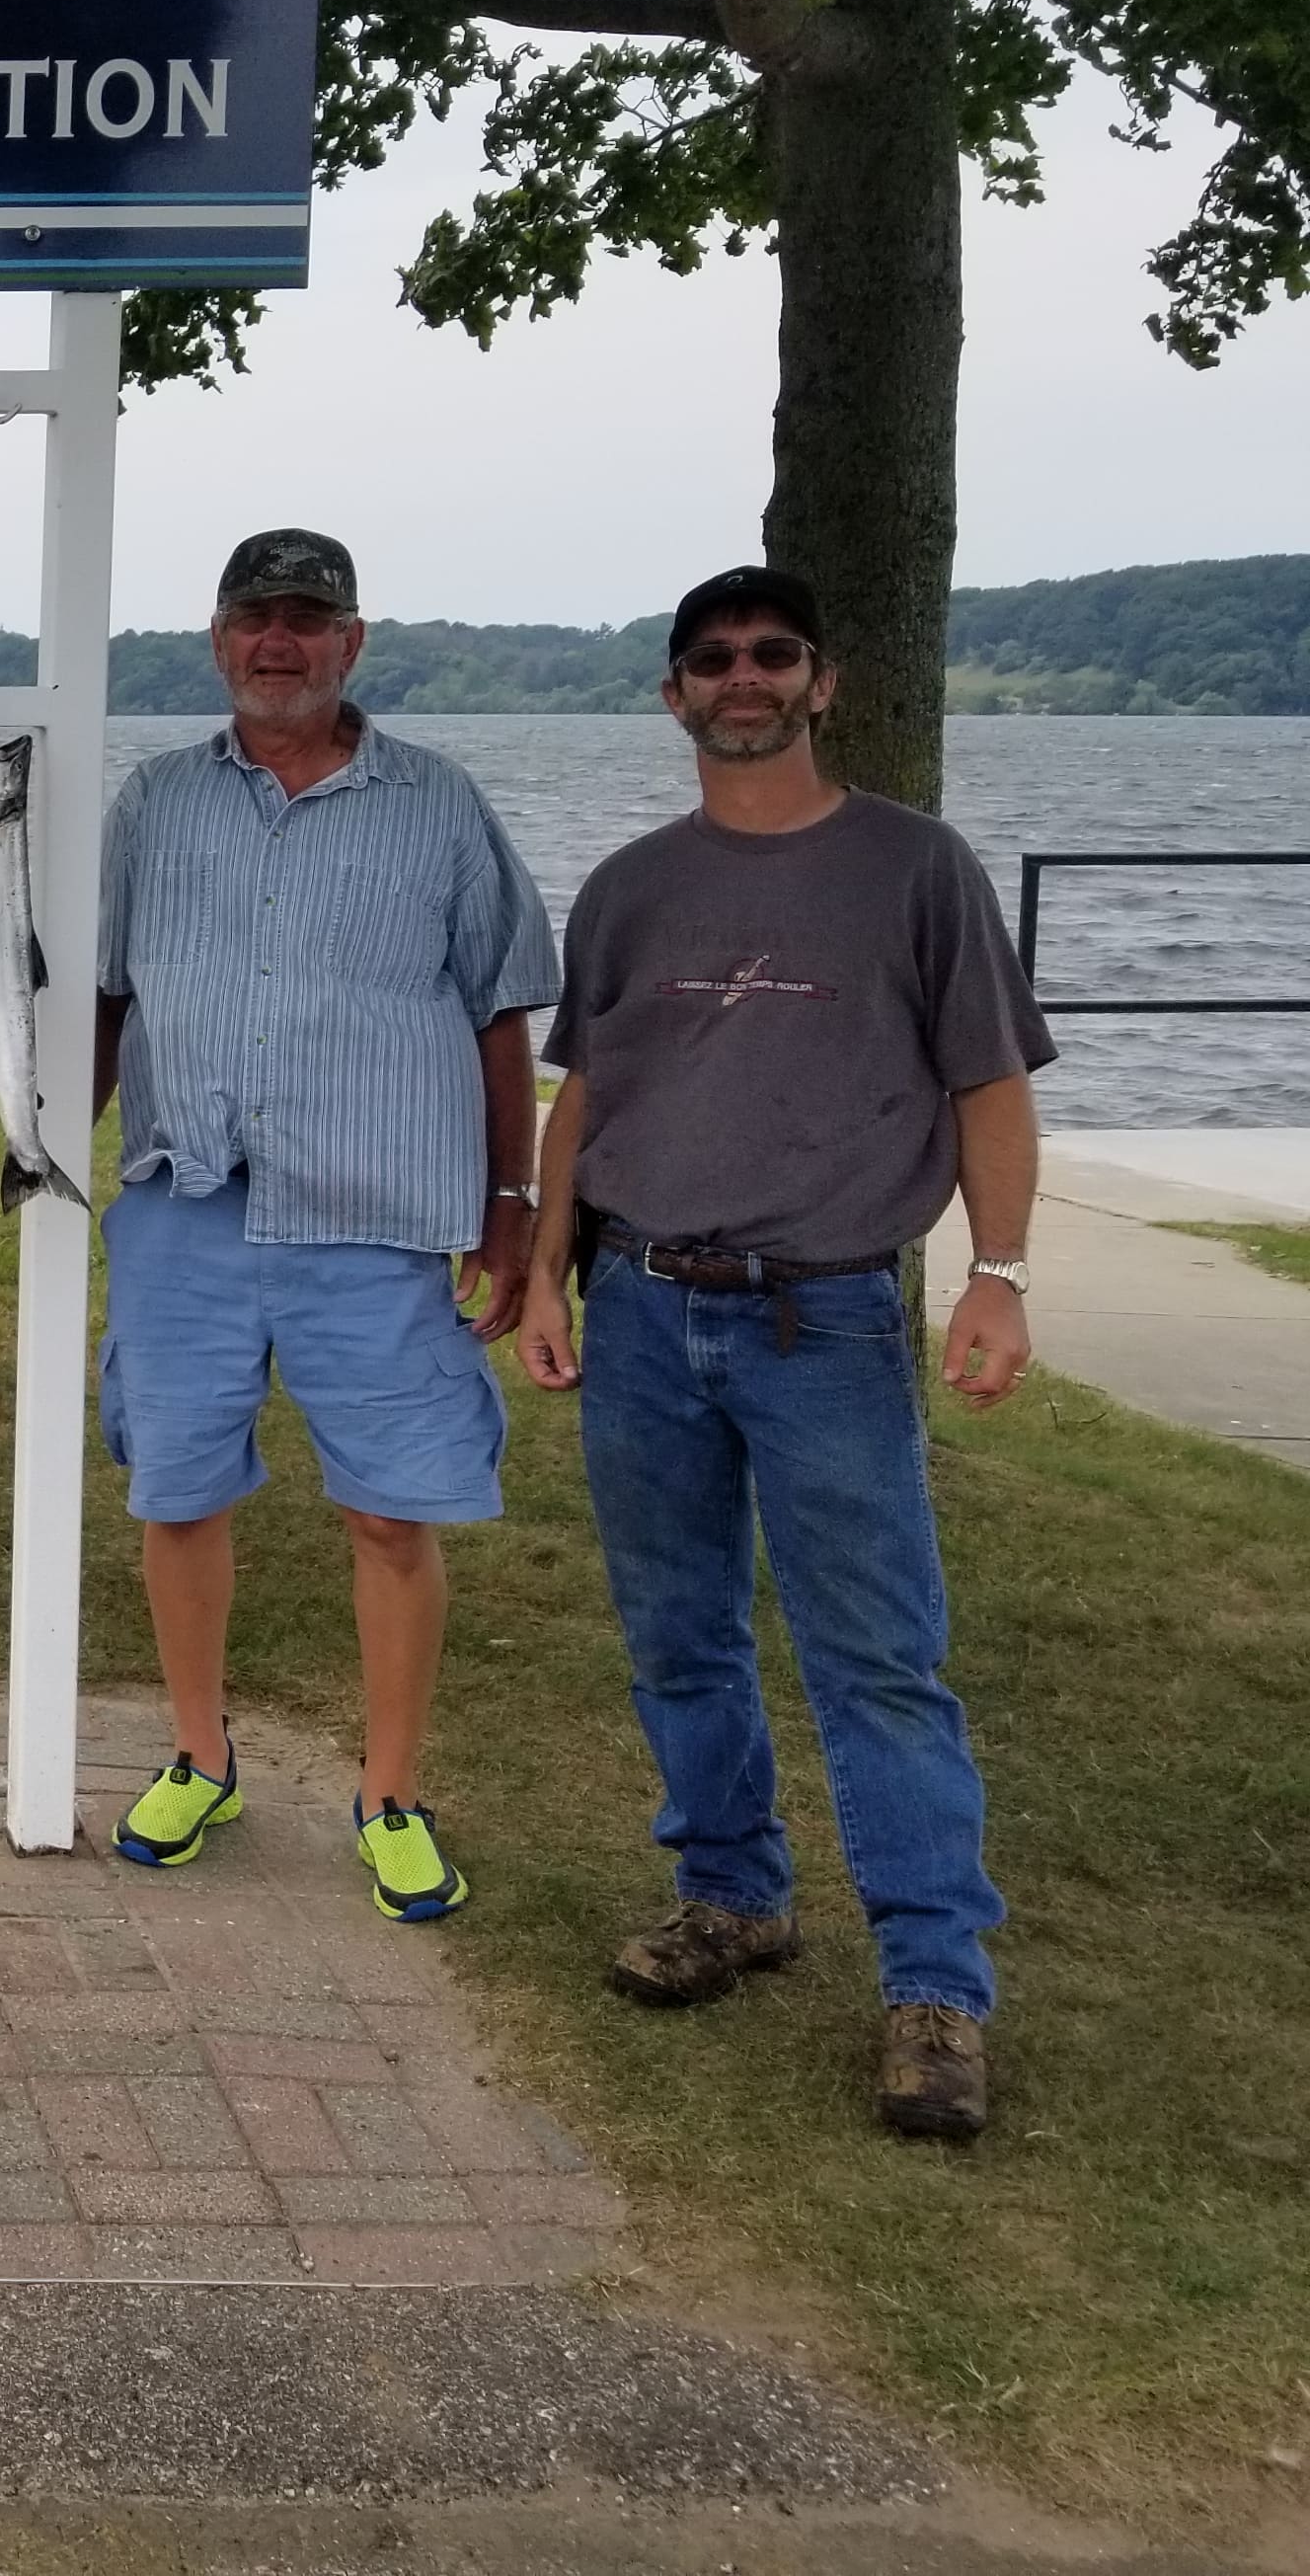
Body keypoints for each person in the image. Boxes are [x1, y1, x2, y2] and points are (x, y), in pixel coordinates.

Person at [518, 568, 1040, 2141]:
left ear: (822, 682)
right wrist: (546, 1274)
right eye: (712, 660)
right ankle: (732, 1897)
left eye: (773, 655)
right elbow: (585, 1098)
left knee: (876, 1657)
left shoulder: (914, 870)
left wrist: (999, 1273)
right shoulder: (627, 888)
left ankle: (935, 1986)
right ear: (674, 695)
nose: (743, 679)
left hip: (825, 1317)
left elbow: (991, 1088)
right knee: (680, 1633)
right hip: (644, 1316)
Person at [93, 528, 560, 1920]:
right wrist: (47, 1148)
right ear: (218, 637)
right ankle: (196, 1754)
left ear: (354, 640)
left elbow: (500, 1009)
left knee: (389, 1510)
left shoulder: (440, 804)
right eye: (255, 618)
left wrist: (511, 1203)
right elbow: (103, 996)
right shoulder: (153, 802)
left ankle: (391, 1790)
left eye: (308, 618)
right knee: (176, 1491)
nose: (279, 642)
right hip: (188, 1202)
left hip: (376, 1218)